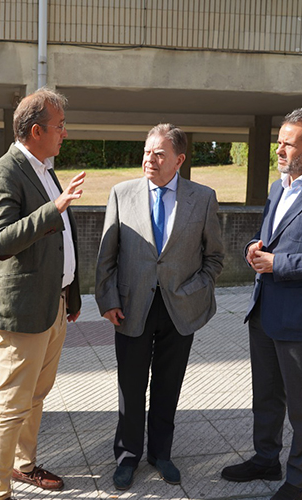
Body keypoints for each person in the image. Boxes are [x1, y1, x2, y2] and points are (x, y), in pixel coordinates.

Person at [221, 107, 302, 500]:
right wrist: (253, 248)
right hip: (263, 310)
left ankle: (299, 482)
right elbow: (269, 234)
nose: (278, 149)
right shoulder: (279, 187)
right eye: (278, 141)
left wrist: (280, 264)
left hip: (301, 318)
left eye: (287, 143)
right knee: (265, 395)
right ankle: (265, 458)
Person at [95, 123, 224, 491]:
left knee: (168, 385)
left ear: (179, 160)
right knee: (130, 388)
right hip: (132, 306)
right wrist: (107, 300)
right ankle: (127, 457)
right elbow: (107, 255)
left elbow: (214, 257)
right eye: (147, 151)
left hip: (179, 308)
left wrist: (195, 289)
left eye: (159, 153)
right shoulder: (122, 193)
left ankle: (161, 453)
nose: (150, 159)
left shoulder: (202, 197)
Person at [0, 88, 85, 500]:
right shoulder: (4, 172)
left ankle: (22, 466)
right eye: (60, 127)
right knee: (11, 402)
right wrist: (53, 207)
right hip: (22, 311)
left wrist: (70, 297)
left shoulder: (43, 168)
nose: (65, 133)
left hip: (52, 305)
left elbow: (63, 242)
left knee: (35, 396)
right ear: (36, 130)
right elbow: (1, 240)